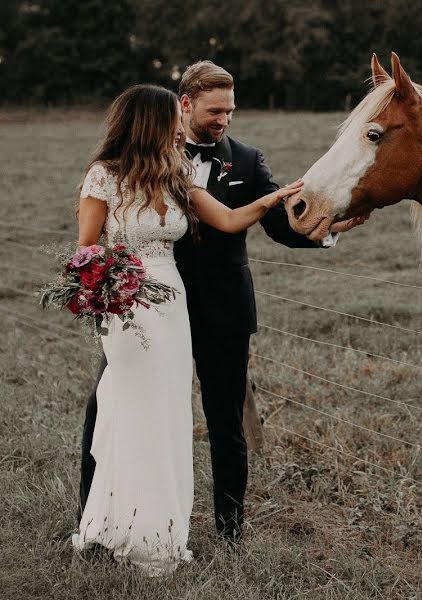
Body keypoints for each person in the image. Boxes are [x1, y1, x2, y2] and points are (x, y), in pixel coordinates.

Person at [71, 83, 304, 575]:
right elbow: (86, 252)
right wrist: (110, 287)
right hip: (128, 310)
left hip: (172, 306)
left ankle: (159, 528)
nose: (183, 125)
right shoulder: (103, 177)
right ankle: (114, 522)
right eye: (173, 119)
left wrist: (275, 198)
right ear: (152, 122)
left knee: (170, 415)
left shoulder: (175, 174)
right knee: (129, 408)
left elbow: (228, 219)